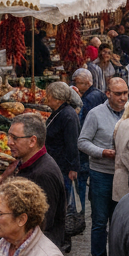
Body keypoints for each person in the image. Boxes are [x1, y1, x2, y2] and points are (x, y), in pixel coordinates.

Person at [78, 76, 129, 256]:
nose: (123, 98)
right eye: (118, 94)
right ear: (108, 94)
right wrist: (102, 152)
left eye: (125, 93)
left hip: (123, 175)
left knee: (120, 223)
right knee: (99, 222)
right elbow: (82, 142)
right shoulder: (95, 114)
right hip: (101, 174)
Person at [2, 114, 67, 252]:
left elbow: (43, 223)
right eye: (9, 136)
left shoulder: (43, 174)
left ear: (32, 141)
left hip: (37, 250)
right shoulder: (27, 165)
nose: (9, 142)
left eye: (15, 138)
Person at [44, 83, 81, 237]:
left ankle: (63, 235)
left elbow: (72, 144)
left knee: (62, 202)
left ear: (58, 99)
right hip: (58, 162)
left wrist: (73, 168)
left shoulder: (67, 115)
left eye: (49, 97)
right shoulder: (59, 112)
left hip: (63, 166)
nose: (47, 100)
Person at [71, 70, 103, 235]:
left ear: (86, 83)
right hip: (93, 146)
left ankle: (80, 214)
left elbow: (83, 125)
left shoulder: (88, 99)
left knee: (82, 183)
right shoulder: (97, 95)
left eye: (77, 82)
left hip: (86, 149)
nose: (75, 85)